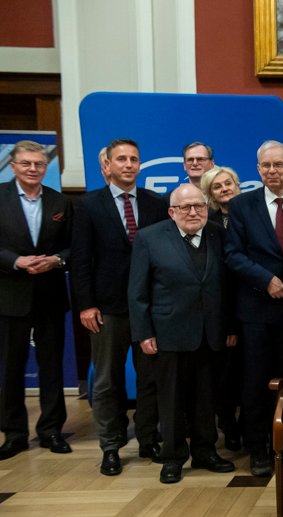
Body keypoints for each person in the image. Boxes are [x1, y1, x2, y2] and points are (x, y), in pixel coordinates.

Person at [127, 183, 237, 483]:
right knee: (172, 398)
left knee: (206, 396)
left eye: (199, 206)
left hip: (211, 333)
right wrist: (143, 332)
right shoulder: (150, 238)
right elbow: (137, 291)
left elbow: (227, 288)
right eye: (185, 207)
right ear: (171, 212)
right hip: (168, 333)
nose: (193, 212)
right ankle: (173, 457)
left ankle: (205, 451)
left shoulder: (218, 233)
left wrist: (229, 326)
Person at [72, 138, 168, 475]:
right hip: (107, 309)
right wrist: (86, 305)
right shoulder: (87, 206)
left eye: (134, 159)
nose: (128, 164)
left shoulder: (156, 203)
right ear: (107, 166)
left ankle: (147, 438)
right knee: (107, 381)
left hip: (149, 308)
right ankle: (110, 446)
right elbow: (81, 259)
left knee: (150, 379)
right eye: (121, 159)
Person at [224, 140, 283, 477]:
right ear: (258, 169)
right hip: (256, 310)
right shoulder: (242, 205)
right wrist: (266, 280)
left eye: (280, 165)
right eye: (267, 166)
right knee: (256, 381)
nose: (273, 171)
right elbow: (233, 254)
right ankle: (259, 447)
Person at [0, 140, 73, 460]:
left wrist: (57, 260)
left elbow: (75, 245)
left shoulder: (61, 201)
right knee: (10, 368)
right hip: (9, 295)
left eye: (39, 164)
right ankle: (14, 433)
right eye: (26, 163)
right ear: (12, 165)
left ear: (47, 167)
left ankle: (51, 430)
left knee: (52, 365)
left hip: (50, 295)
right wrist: (16, 262)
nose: (33, 169)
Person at [199, 166, 243, 450]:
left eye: (228, 183)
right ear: (210, 194)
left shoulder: (251, 214)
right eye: (217, 186)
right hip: (220, 308)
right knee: (223, 377)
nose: (224, 188)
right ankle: (228, 426)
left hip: (252, 302)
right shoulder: (208, 224)